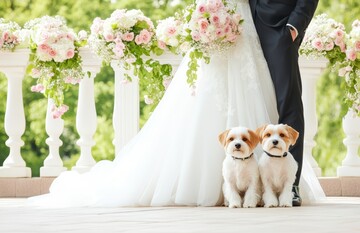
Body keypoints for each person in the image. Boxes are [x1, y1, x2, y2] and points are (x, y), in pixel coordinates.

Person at [29, 0, 324, 207]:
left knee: (284, 101)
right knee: (201, 105)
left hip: (269, 29)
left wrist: (294, 26)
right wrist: (204, 20)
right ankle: (216, 184)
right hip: (219, 25)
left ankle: (287, 184)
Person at [249, 0, 319, 206]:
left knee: (289, 101)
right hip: (241, 23)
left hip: (279, 27)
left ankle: (292, 186)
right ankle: (246, 184)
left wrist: (294, 26)